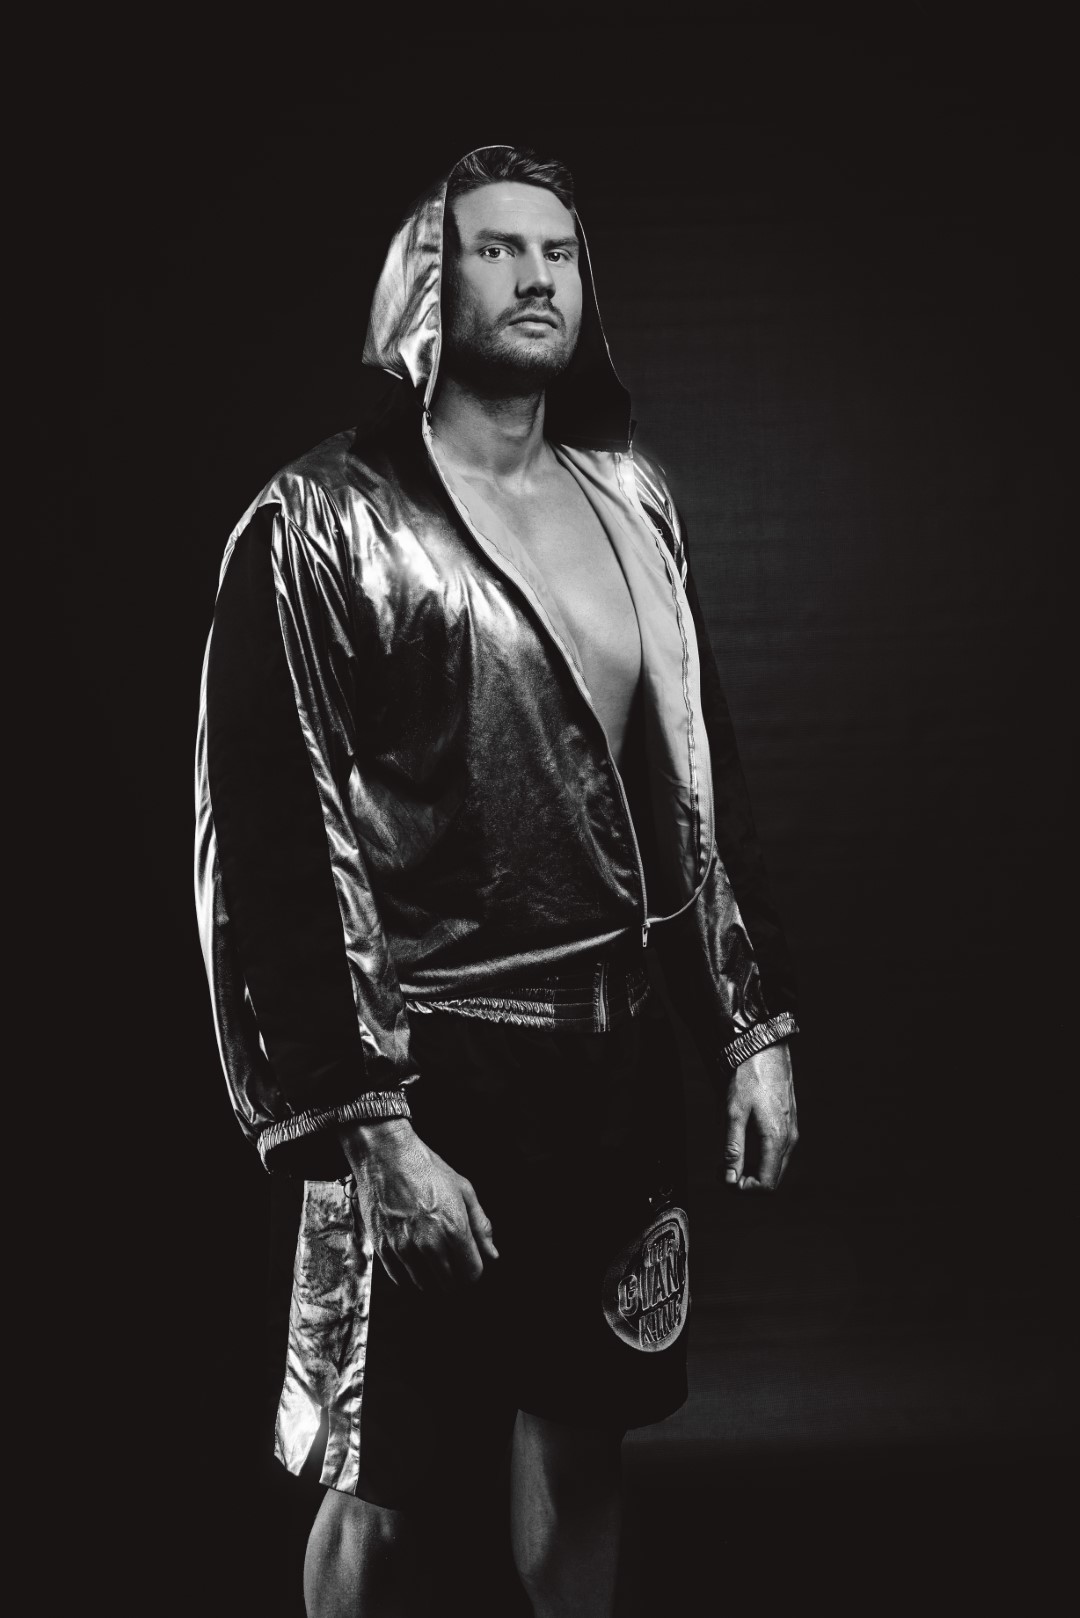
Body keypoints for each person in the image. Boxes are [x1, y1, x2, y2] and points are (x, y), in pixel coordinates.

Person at [195, 144, 799, 1618]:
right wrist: (372, 1127)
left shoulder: (633, 501)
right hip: (427, 1071)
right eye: (496, 248)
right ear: (425, 281)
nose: (536, 277)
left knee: (583, 1451)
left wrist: (748, 1028)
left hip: (610, 1063)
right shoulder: (321, 520)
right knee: (382, 1483)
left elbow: (695, 785)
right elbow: (277, 842)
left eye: (560, 252)